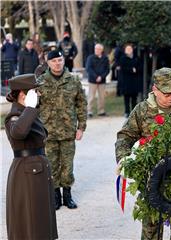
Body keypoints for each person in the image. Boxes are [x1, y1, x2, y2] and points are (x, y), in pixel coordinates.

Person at [115, 67, 171, 240]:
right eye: (166, 92)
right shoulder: (142, 110)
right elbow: (125, 136)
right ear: (155, 90)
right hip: (151, 179)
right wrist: (123, 158)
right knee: (151, 228)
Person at [4, 74, 58, 240]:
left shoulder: (28, 113)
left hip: (36, 171)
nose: (39, 94)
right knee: (31, 220)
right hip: (28, 173)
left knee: (40, 218)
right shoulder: (15, 116)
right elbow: (18, 132)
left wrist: (30, 109)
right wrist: (29, 108)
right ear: (22, 94)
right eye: (35, 91)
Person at [37, 50, 87, 210]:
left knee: (67, 166)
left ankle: (67, 195)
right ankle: (55, 197)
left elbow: (81, 104)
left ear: (63, 60)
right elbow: (34, 107)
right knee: (51, 165)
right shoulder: (41, 82)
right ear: (48, 62)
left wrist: (81, 127)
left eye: (60, 60)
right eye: (54, 61)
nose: (57, 63)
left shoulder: (73, 80)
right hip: (48, 132)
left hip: (67, 132)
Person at [85, 43, 110, 117]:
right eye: (96, 49)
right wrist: (96, 77)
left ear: (101, 50)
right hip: (92, 80)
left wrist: (101, 77)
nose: (97, 50)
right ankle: (89, 111)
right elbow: (88, 68)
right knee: (91, 97)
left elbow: (107, 70)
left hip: (102, 81)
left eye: (98, 49)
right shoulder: (90, 58)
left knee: (101, 97)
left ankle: (101, 111)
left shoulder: (105, 58)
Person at [118, 44, 141, 117]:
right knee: (126, 98)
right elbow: (123, 69)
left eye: (130, 49)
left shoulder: (136, 57)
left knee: (134, 97)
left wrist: (135, 69)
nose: (129, 50)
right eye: (127, 49)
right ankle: (127, 112)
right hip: (126, 81)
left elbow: (139, 67)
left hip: (134, 81)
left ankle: (134, 112)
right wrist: (132, 69)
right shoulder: (122, 58)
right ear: (125, 50)